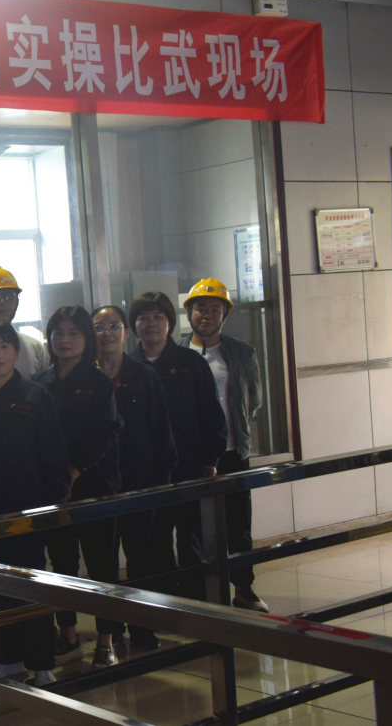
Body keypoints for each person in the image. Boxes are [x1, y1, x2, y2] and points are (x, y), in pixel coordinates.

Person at [0, 322, 72, 687]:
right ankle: (7, 659)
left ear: (17, 353)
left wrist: (45, 505)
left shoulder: (36, 396)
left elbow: (55, 456)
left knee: (31, 585)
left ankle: (42, 663)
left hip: (26, 511)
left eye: (4, 347)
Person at [32, 307, 124, 669]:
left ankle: (106, 640)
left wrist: (73, 472)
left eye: (73, 333)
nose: (65, 340)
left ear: (86, 339)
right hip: (54, 492)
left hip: (95, 486)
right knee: (62, 564)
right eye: (58, 333)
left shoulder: (99, 382)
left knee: (103, 565)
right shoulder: (40, 382)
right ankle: (68, 637)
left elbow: (106, 432)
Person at [128, 292, 227, 601]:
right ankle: (166, 605)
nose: (151, 324)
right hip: (146, 473)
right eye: (143, 317)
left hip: (189, 467)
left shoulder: (190, 362)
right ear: (134, 325)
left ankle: (196, 605)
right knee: (154, 541)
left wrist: (210, 459)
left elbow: (211, 413)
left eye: (158, 317)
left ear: (170, 322)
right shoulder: (128, 367)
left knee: (191, 540)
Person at [93, 304, 177, 651]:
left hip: (139, 480)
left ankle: (143, 628)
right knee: (104, 563)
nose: (107, 333)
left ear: (126, 333)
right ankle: (110, 632)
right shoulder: (85, 378)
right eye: (99, 327)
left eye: (114, 326)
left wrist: (163, 477)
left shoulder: (143, 375)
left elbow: (160, 428)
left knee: (141, 557)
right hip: (99, 484)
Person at [181, 278, 267, 612]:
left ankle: (244, 588)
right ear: (189, 312)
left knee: (238, 523)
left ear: (225, 315)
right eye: (200, 308)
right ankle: (198, 592)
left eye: (215, 309)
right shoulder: (179, 353)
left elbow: (253, 400)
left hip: (232, 452)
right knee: (192, 526)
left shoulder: (242, 352)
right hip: (191, 456)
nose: (207, 314)